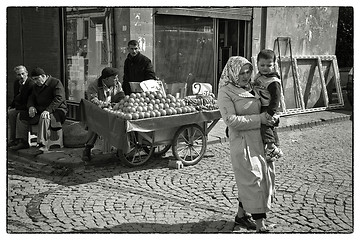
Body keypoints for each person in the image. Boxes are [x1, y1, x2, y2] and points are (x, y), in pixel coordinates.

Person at [217, 56, 276, 232]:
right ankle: (260, 225)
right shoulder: (225, 92)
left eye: (248, 71)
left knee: (259, 179)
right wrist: (260, 119)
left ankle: (241, 216)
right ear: (233, 72)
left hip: (260, 140)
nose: (245, 76)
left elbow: (267, 105)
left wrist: (273, 117)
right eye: (241, 72)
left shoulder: (253, 87)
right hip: (243, 143)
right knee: (254, 180)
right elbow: (231, 120)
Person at [11, 67, 67, 151]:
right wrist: (31, 107)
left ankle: (42, 144)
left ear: (43, 76)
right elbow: (31, 98)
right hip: (40, 109)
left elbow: (59, 98)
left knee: (44, 117)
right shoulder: (35, 86)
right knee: (21, 116)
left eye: (37, 79)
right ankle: (22, 141)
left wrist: (48, 110)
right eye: (34, 79)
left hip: (57, 111)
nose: (35, 81)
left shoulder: (55, 82)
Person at [82, 67, 125, 162]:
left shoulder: (117, 84)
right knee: (95, 124)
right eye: (114, 78)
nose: (117, 80)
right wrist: (105, 105)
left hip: (114, 110)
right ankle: (87, 148)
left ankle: (120, 148)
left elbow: (121, 96)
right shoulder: (94, 86)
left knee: (122, 121)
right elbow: (93, 100)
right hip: (98, 111)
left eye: (117, 77)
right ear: (106, 79)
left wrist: (121, 102)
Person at [252, 49, 283, 162]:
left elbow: (276, 99)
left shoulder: (273, 81)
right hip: (261, 104)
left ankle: (271, 147)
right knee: (270, 127)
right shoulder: (259, 76)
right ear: (257, 64)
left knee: (265, 125)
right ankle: (276, 146)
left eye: (269, 65)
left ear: (274, 65)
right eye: (262, 65)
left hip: (269, 107)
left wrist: (270, 113)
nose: (265, 68)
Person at [8, 65, 35, 147]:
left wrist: (17, 107)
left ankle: (22, 141)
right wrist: (12, 105)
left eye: (23, 74)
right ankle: (13, 139)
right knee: (11, 113)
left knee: (19, 115)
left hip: (29, 107)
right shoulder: (17, 83)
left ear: (27, 73)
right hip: (20, 106)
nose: (21, 76)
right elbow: (16, 97)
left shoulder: (31, 84)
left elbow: (30, 100)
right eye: (19, 75)